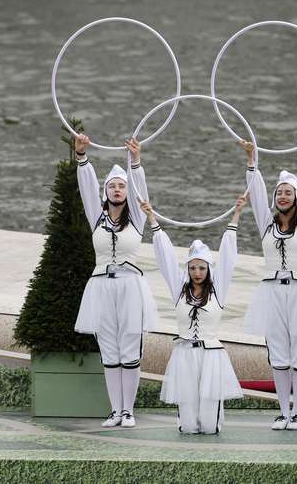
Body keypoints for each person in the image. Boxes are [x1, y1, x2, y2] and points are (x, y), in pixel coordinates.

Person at [238, 138, 297, 431]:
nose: (282, 196)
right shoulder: (266, 222)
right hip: (271, 291)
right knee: (278, 354)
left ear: (296, 197)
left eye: (288, 192)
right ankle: (283, 412)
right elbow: (255, 190)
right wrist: (252, 160)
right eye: (279, 192)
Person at [140, 195, 246, 434]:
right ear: (187, 269)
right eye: (192, 267)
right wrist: (152, 219)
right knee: (188, 426)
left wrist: (236, 216)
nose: (197, 272)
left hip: (211, 355)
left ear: (209, 269)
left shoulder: (218, 288)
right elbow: (165, 256)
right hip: (185, 353)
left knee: (209, 426)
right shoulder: (179, 288)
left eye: (201, 267)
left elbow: (228, 255)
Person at [73, 134, 158, 428]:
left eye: (121, 186)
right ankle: (115, 410)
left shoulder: (136, 217)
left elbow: (140, 190)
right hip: (100, 285)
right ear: (106, 192)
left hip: (130, 285)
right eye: (112, 186)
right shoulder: (96, 216)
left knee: (130, 347)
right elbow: (86, 189)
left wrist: (134, 161)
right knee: (109, 348)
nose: (118, 190)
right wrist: (82, 157)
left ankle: (128, 411)